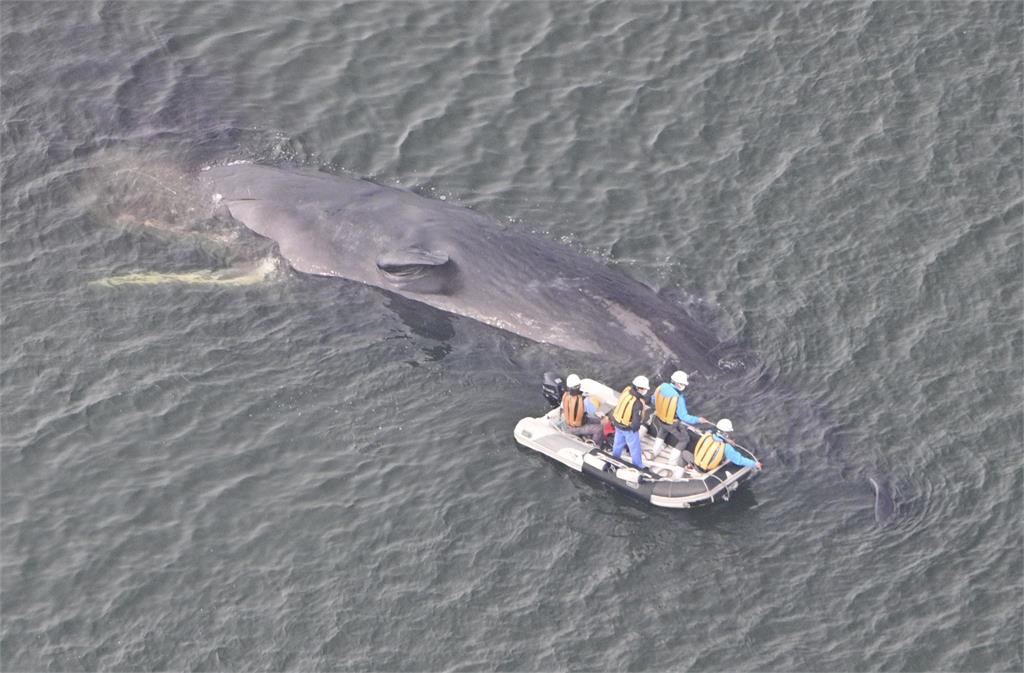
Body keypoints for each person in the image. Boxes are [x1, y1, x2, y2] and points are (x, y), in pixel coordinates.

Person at [649, 370, 709, 457]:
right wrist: (698, 420)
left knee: (663, 431)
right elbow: (684, 417)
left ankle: (654, 452)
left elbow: (653, 400)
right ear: (678, 384)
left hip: (659, 418)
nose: (684, 386)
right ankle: (672, 461)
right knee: (684, 439)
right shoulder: (679, 398)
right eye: (683, 384)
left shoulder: (662, 386)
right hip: (671, 423)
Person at [691, 418, 763, 472]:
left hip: (696, 463)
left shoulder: (708, 433)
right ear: (726, 432)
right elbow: (739, 460)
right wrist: (755, 464)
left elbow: (718, 437)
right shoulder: (726, 447)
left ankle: (689, 466)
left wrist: (728, 441)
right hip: (705, 469)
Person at [610, 375, 650, 469]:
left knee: (618, 443)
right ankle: (638, 466)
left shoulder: (627, 391)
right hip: (628, 429)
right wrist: (636, 428)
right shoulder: (638, 403)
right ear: (638, 388)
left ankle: (615, 459)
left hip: (617, 424)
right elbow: (636, 422)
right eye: (643, 389)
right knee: (635, 448)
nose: (644, 391)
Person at [560, 373, 606, 446]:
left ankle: (588, 436)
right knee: (599, 428)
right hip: (577, 428)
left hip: (569, 424)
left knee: (597, 421)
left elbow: (563, 409)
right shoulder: (583, 401)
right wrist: (602, 415)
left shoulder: (565, 396)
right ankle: (592, 445)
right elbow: (595, 411)